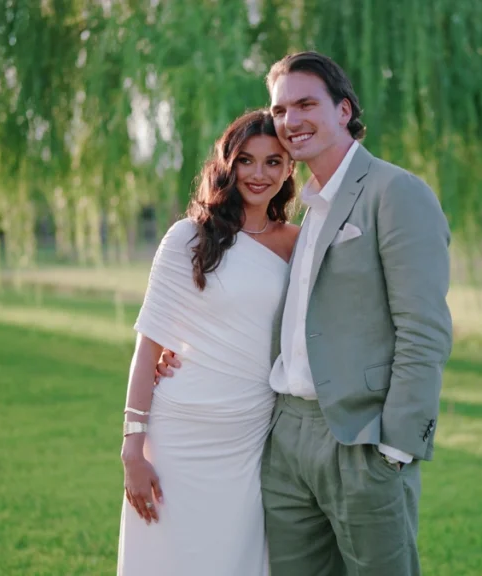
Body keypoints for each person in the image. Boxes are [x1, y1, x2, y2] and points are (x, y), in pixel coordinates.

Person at [156, 51, 453, 576]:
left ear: (344, 110)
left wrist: (396, 447)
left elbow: (423, 331)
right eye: (281, 109)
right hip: (284, 437)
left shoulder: (395, 192)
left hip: (362, 439)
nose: (291, 121)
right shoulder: (305, 211)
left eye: (306, 104)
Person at [116, 109, 299, 576]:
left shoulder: (300, 242)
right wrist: (132, 448)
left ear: (290, 168)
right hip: (180, 433)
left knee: (233, 557)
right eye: (247, 160)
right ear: (228, 164)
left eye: (274, 162)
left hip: (250, 434)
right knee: (168, 557)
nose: (259, 174)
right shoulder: (188, 238)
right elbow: (148, 348)